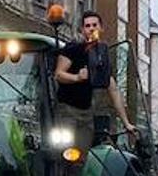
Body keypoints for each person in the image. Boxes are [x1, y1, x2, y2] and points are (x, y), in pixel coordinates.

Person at [54, 10, 136, 149]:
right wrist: (76, 77)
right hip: (67, 111)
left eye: (94, 25)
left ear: (101, 28)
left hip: (86, 113)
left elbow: (113, 89)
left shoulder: (101, 54)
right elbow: (59, 74)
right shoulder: (73, 49)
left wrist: (126, 122)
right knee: (64, 152)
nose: (91, 28)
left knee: (81, 156)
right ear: (82, 29)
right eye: (87, 26)